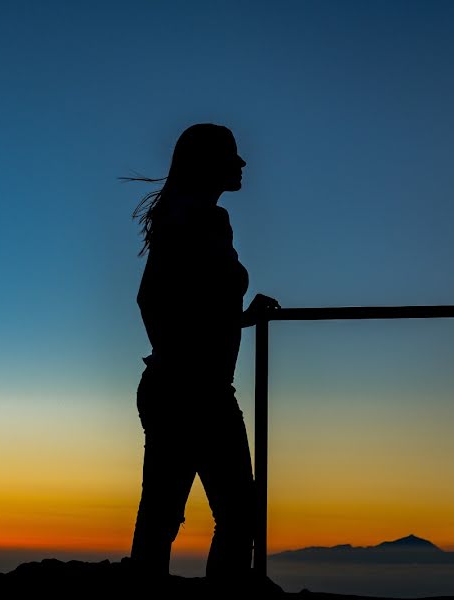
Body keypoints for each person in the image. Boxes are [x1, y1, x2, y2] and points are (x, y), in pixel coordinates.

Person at [126, 124, 280, 584]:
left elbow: (195, 305)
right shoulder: (193, 219)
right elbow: (152, 299)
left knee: (178, 514)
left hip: (195, 386)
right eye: (232, 154)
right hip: (191, 389)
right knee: (219, 514)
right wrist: (186, 355)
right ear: (208, 163)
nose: (242, 163)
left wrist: (238, 322)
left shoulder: (201, 217)